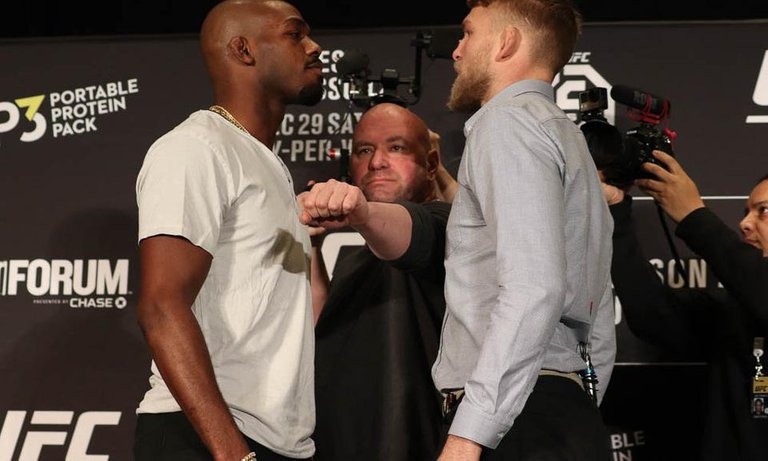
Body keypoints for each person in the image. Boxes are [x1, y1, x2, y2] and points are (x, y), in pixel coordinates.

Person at [132, 1, 324, 460]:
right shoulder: (196, 148)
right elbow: (161, 306)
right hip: (205, 438)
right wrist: (232, 454)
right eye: (295, 34)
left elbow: (292, 305)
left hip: (273, 441)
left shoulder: (269, 166)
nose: (315, 47)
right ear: (243, 50)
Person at [432, 1, 617, 460]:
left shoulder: (507, 122)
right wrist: (574, 405)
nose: (456, 50)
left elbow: (536, 287)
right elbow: (600, 317)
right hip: (560, 411)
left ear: (507, 42)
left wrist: (467, 436)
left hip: (516, 422)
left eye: (468, 33)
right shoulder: (568, 138)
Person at [298, 102, 453, 460]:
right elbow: (321, 329)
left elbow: (408, 231)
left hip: (420, 444)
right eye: (364, 150)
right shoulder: (356, 258)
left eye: (396, 148)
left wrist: (360, 212)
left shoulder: (449, 227)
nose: (377, 162)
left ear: (430, 165)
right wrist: (310, 249)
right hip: (336, 443)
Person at [603, 148, 768, 461]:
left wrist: (694, 215)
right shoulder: (734, 310)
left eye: (764, 211)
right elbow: (652, 314)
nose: (745, 223)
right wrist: (617, 213)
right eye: (746, 211)